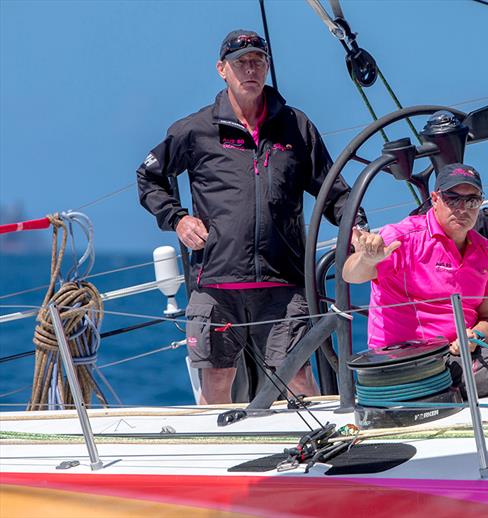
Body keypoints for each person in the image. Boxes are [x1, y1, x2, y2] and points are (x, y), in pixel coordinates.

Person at [137, 30, 364, 404]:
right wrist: (177, 219)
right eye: (241, 62)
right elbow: (149, 176)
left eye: (257, 61)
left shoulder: (296, 126)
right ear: (221, 70)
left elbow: (331, 191)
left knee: (300, 380)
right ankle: (217, 455)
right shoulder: (195, 129)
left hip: (282, 282)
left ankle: (312, 458)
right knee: (217, 382)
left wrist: (356, 227)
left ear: (267, 67)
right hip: (216, 283)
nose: (250, 69)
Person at [343, 163, 488, 396]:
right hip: (404, 361)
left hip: (460, 355)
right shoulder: (403, 238)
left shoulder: (487, 253)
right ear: (435, 198)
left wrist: (476, 335)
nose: (462, 208)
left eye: (471, 201)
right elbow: (350, 274)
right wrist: (367, 259)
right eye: (452, 198)